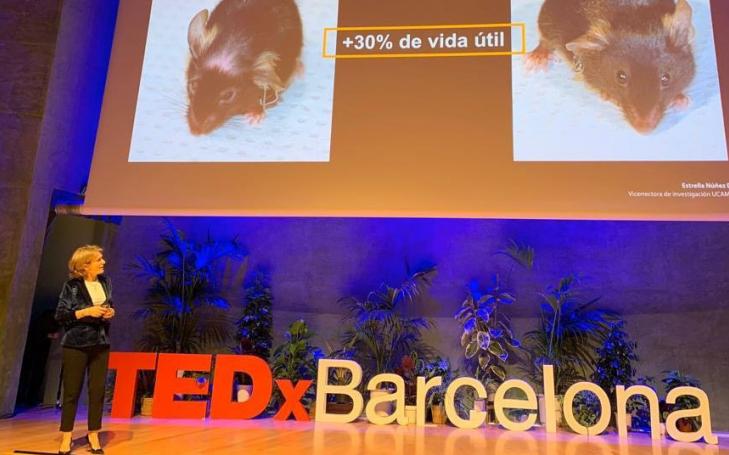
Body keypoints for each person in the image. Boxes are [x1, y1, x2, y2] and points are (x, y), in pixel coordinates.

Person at [54, 245, 115, 454]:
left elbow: (108, 303)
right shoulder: (71, 286)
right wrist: (86, 312)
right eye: (98, 259)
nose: (103, 262)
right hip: (76, 344)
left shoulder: (105, 282)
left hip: (100, 342)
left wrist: (110, 312)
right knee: (72, 391)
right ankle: (66, 436)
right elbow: (61, 315)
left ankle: (93, 434)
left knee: (97, 390)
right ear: (85, 265)